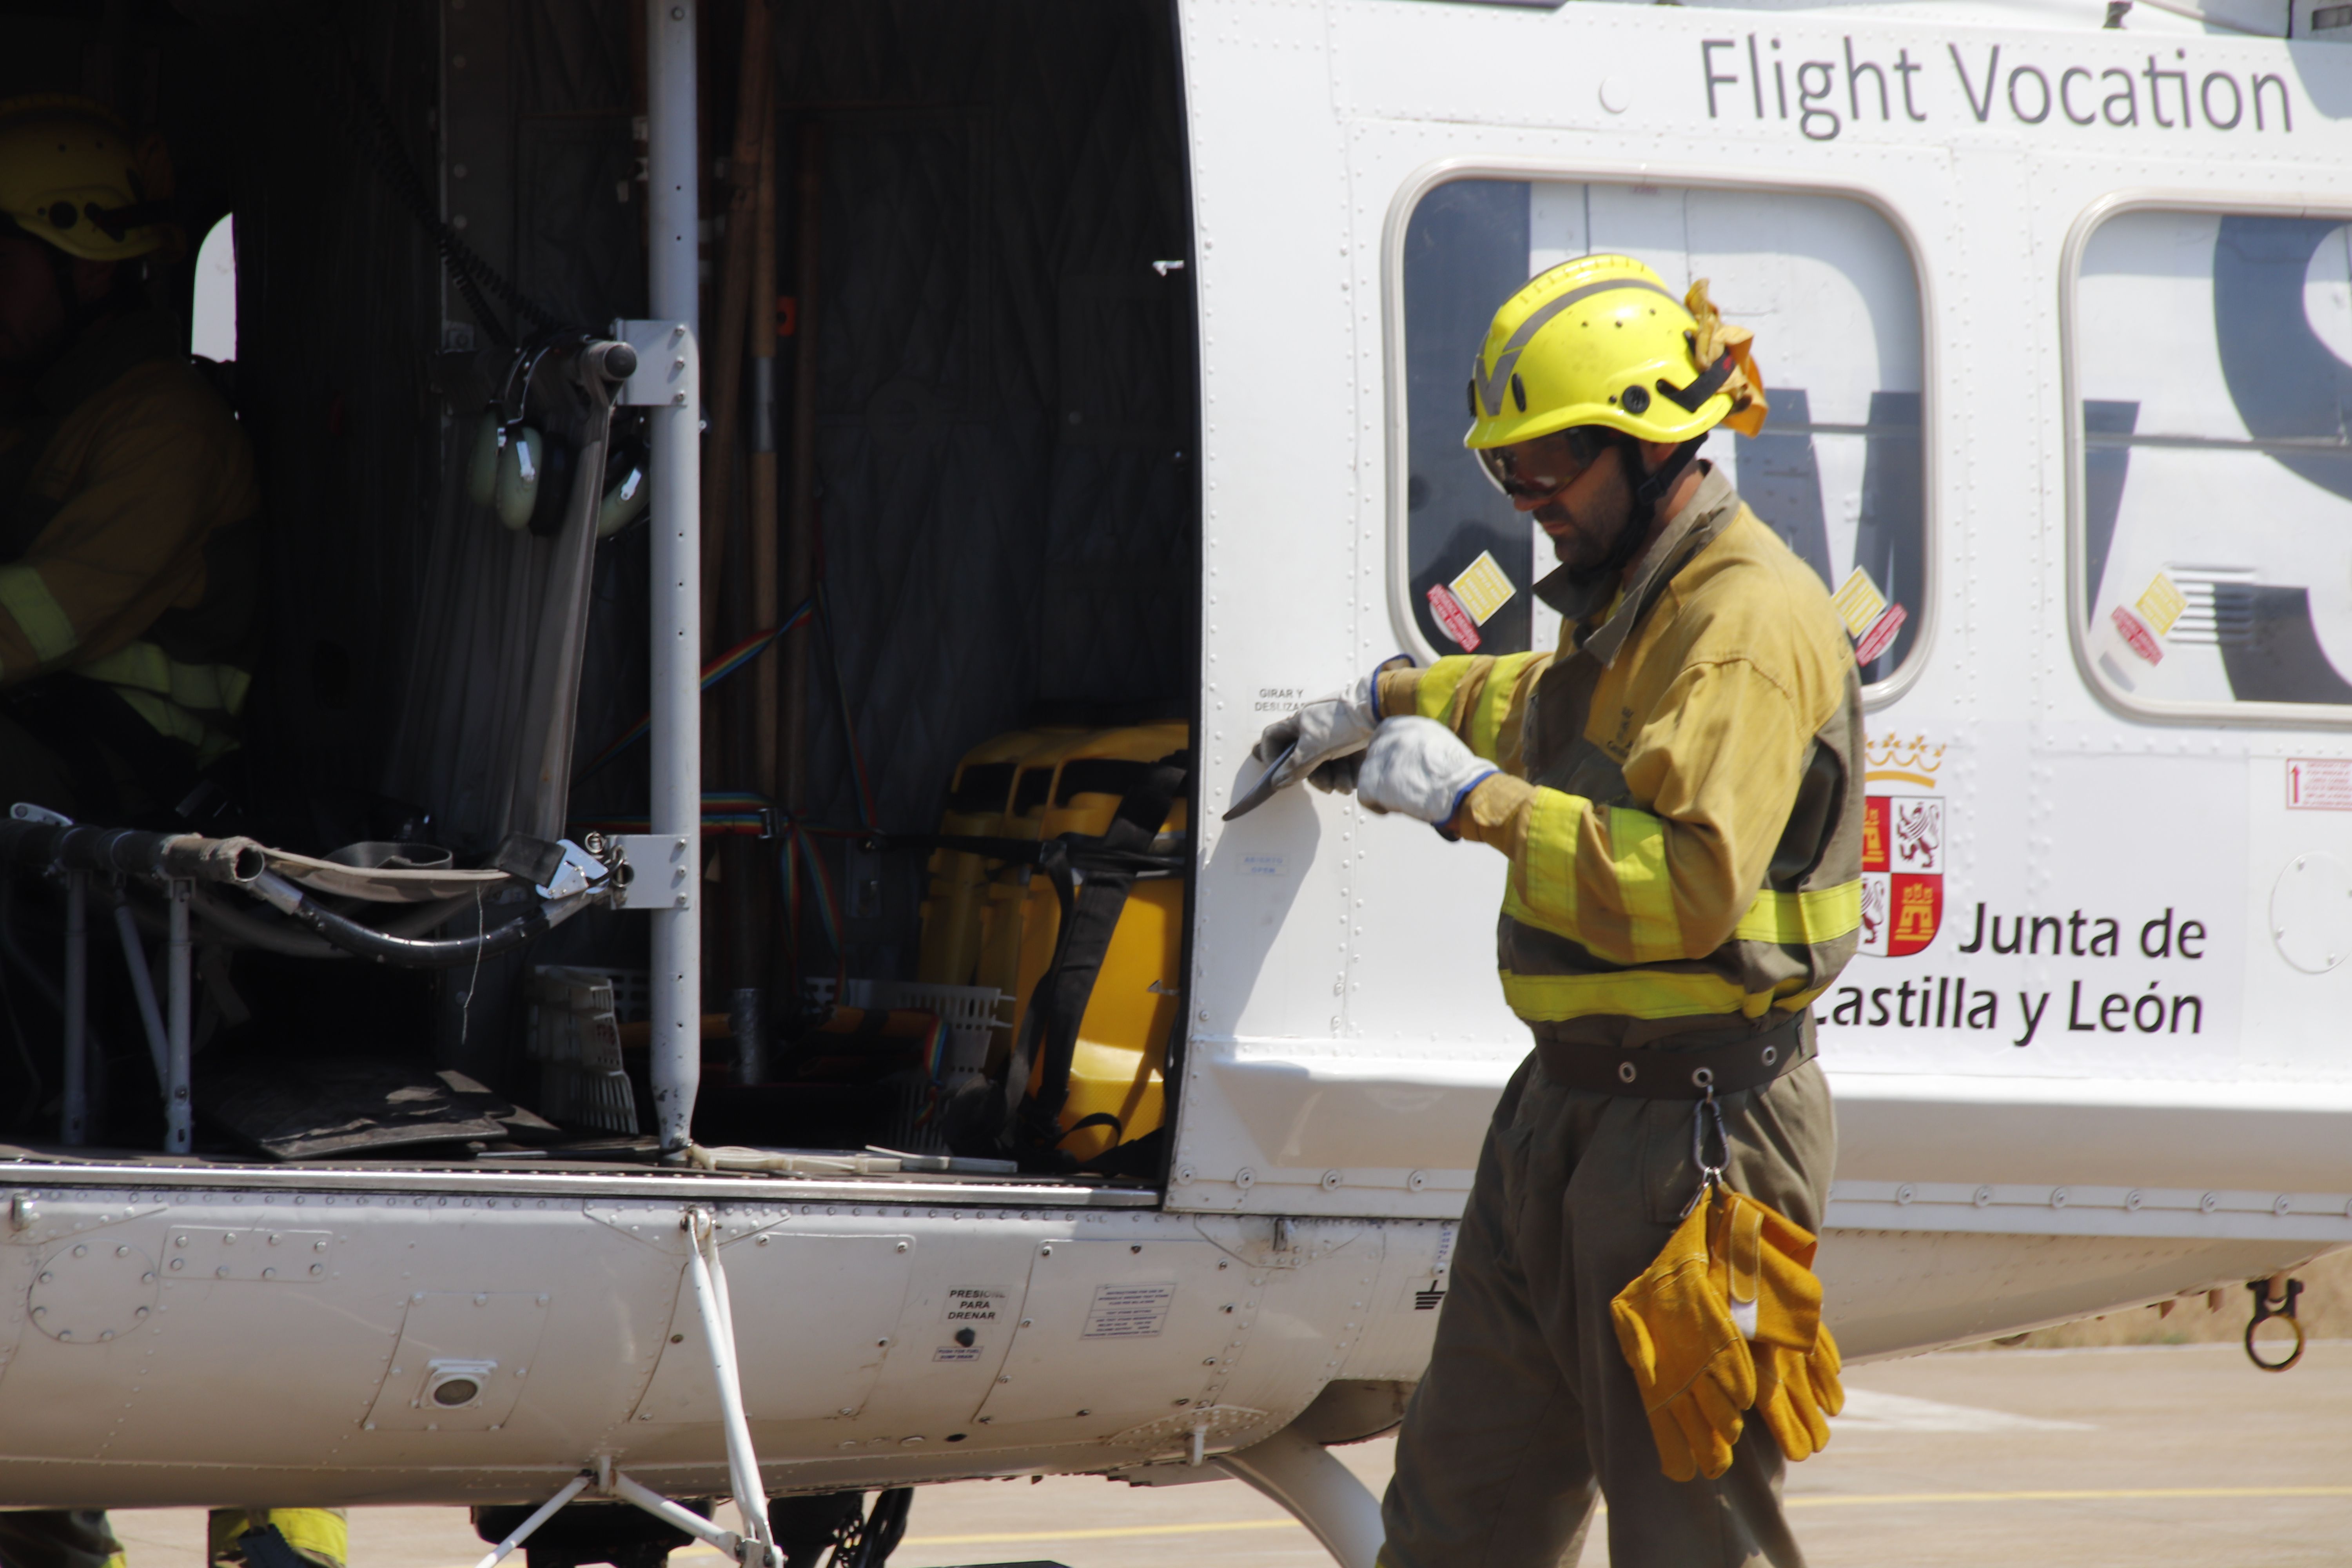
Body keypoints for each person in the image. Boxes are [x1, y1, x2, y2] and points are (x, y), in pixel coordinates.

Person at [1246, 254, 1864, 1567]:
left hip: (1700, 1144)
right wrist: (1392, 700)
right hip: (1565, 1118)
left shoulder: (1744, 625)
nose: (1528, 506)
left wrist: (1478, 804)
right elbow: (1552, 703)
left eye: (1547, 471)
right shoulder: (1638, 606)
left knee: (1691, 1539)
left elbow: (1693, 889)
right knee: (1455, 1526)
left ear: (1649, 448)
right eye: (1507, 474)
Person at [0, 93, 259, 826]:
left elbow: (41, 618)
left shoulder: (170, 429)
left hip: (122, 774)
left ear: (87, 273)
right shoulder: (42, 416)